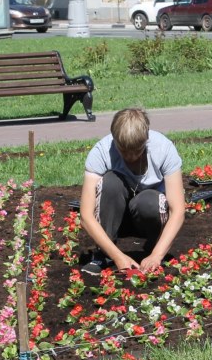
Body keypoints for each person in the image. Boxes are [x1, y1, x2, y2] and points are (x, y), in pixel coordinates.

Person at [79, 107, 186, 275]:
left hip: (146, 217)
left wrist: (157, 255)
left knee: (149, 200)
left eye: (137, 150)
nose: (130, 157)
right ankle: (103, 254)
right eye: (123, 151)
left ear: (146, 139)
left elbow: (178, 210)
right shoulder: (101, 152)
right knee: (110, 182)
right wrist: (117, 256)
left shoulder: (164, 149)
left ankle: (153, 247)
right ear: (114, 140)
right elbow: (85, 216)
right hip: (115, 219)